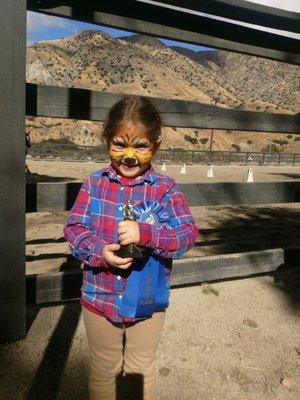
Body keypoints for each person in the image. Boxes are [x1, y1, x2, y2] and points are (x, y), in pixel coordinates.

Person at [63, 96, 199, 400]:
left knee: (141, 367)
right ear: (106, 140)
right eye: (119, 144)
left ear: (156, 144)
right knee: (103, 368)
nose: (129, 156)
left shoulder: (166, 190)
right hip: (99, 297)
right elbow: (74, 230)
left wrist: (148, 233)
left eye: (140, 146)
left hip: (147, 303)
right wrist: (100, 251)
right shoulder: (94, 184)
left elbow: (188, 234)